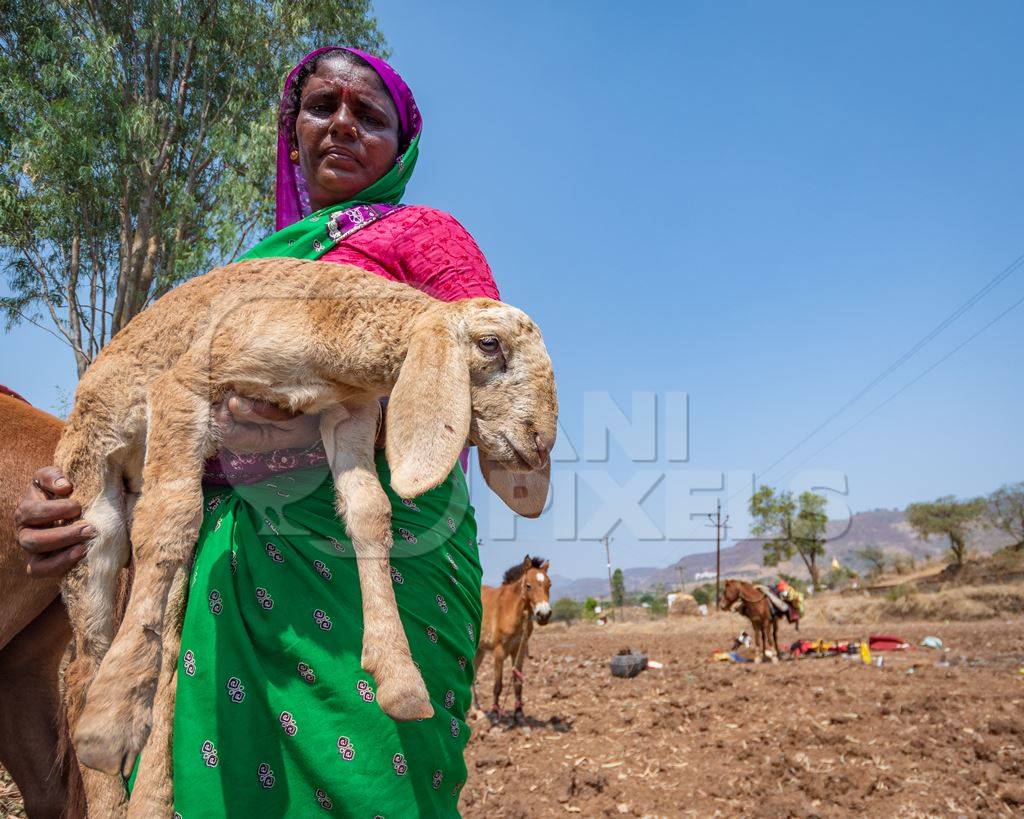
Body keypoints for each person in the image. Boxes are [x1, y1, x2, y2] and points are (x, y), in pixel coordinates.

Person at [15, 46, 498, 816]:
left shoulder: (429, 241)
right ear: (292, 131)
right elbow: (168, 431)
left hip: (385, 562)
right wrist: (82, 497)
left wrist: (303, 434)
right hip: (237, 568)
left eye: (368, 114)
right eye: (321, 107)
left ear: (401, 144)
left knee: (376, 782)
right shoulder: (246, 279)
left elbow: (482, 388)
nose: (341, 123)